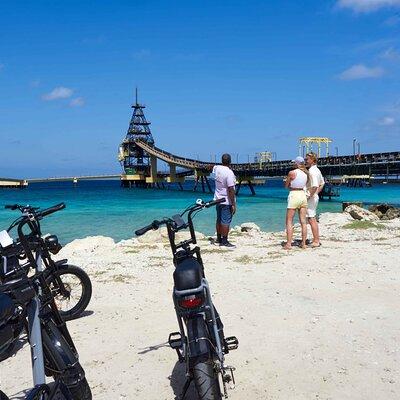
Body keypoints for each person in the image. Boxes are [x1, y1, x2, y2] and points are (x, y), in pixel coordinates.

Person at [283, 156, 309, 250]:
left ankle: (289, 244)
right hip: (303, 195)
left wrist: (288, 184)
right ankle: (304, 244)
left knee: (289, 220)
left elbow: (286, 185)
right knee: (303, 222)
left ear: (296, 163)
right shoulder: (306, 173)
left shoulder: (292, 172)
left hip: (294, 195)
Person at [212, 154, 236, 247]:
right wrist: (233, 204)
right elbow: (231, 189)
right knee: (225, 221)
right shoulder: (229, 173)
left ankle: (218, 238)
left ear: (221, 161)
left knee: (219, 220)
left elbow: (211, 167)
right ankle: (225, 241)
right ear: (230, 161)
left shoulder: (217, 168)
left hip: (217, 199)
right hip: (226, 201)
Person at [305, 152, 325, 247]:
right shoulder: (317, 170)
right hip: (314, 196)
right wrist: (317, 193)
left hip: (311, 198)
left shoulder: (312, 171)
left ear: (312, 160)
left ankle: (316, 241)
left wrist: (310, 195)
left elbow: (315, 186)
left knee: (311, 218)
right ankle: (315, 239)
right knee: (311, 218)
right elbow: (322, 183)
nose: (305, 161)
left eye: (307, 159)